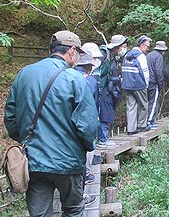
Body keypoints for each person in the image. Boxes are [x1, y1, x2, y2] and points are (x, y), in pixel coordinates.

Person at [4, 30, 98, 216]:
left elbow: (10, 119)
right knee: (73, 210)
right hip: (69, 161)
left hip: (35, 161)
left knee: (39, 214)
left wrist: (27, 139)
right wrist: (87, 147)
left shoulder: (24, 75)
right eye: (78, 52)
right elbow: (87, 126)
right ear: (71, 50)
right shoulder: (76, 79)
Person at [75, 52, 99, 206]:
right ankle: (80, 197)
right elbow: (92, 106)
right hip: (79, 133)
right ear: (89, 66)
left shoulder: (61, 77)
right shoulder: (89, 81)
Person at [97, 35, 128, 148]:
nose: (125, 49)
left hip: (107, 90)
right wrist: (117, 79)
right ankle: (102, 140)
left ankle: (103, 138)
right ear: (118, 46)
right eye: (123, 46)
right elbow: (103, 75)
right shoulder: (105, 56)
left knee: (107, 113)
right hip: (103, 90)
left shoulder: (112, 56)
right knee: (104, 114)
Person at [122, 35, 152, 134]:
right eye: (147, 46)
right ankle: (141, 125)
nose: (148, 49)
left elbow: (123, 70)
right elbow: (145, 72)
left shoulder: (127, 54)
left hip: (127, 84)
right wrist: (146, 85)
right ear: (142, 45)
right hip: (139, 84)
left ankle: (131, 129)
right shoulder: (141, 56)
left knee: (131, 106)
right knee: (144, 105)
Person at [146, 41, 167, 128]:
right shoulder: (159, 57)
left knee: (146, 101)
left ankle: (144, 121)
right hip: (153, 82)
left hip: (146, 81)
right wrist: (160, 83)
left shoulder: (148, 55)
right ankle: (149, 121)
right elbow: (158, 71)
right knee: (153, 102)